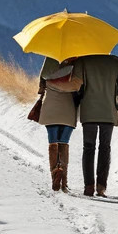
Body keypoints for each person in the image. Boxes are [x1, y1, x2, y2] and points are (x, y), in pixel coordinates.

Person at [76, 54, 118, 197]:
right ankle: (101, 187)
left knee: (88, 148)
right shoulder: (115, 61)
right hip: (108, 112)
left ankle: (88, 186)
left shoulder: (83, 60)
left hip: (89, 111)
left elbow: (77, 87)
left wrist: (80, 103)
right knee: (105, 148)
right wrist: (114, 107)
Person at [38, 56, 83, 191]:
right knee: (64, 143)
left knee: (53, 142)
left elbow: (42, 81)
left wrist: (50, 84)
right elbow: (78, 85)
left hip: (50, 105)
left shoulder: (50, 57)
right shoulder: (78, 61)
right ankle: (63, 181)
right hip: (68, 108)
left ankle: (54, 174)